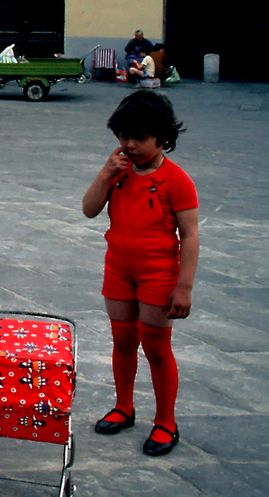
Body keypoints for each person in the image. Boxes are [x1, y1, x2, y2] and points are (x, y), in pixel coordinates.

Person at [81, 91, 199, 457]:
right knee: (122, 340)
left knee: (157, 346)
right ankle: (124, 406)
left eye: (139, 138)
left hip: (158, 273)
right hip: (118, 267)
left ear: (164, 138)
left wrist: (184, 287)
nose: (129, 145)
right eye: (123, 137)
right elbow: (89, 210)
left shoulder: (176, 181)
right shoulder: (117, 171)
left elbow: (190, 234)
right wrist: (105, 174)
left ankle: (166, 421)